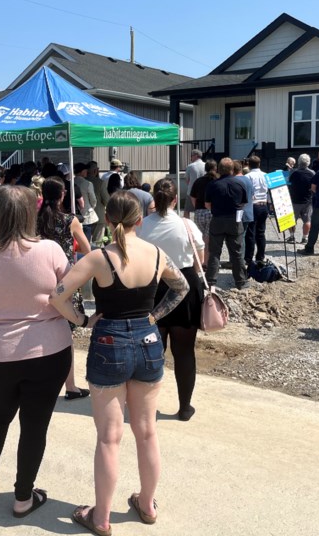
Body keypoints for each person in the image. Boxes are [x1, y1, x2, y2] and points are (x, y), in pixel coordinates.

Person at [49, 190, 189, 536]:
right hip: (148, 340)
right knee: (147, 432)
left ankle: (101, 518)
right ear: (140, 220)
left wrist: (82, 321)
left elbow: (57, 295)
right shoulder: (156, 254)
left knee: (109, 439)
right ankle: (147, 504)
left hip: (109, 340)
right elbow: (181, 287)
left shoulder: (99, 258)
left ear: (108, 220)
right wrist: (155, 316)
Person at [0, 185, 75, 517]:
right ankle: (23, 496)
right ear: (31, 212)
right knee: (34, 425)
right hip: (48, 350)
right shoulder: (51, 250)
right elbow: (67, 295)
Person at [139, 179, 205, 421]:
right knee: (185, 352)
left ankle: (145, 407)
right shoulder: (186, 225)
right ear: (176, 199)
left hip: (152, 286)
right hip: (185, 286)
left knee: (152, 352)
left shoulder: (142, 225)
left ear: (153, 199)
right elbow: (200, 257)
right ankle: (185, 407)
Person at [37, 177, 93, 401]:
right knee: (66, 334)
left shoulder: (35, 220)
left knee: (41, 330)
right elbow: (88, 250)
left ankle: (42, 381)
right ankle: (70, 385)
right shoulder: (70, 220)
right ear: (62, 195)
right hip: (66, 280)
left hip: (39, 277)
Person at [204, 157, 248, 289]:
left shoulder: (213, 184)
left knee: (215, 252)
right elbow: (244, 202)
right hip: (234, 220)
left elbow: (207, 204)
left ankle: (210, 281)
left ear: (219, 169)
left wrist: (217, 209)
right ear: (232, 169)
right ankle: (240, 281)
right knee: (237, 252)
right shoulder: (240, 183)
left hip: (217, 219)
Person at [243, 156, 270, 264]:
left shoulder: (248, 176)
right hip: (264, 204)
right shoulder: (266, 175)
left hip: (253, 205)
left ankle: (248, 258)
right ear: (259, 164)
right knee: (261, 232)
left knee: (250, 232)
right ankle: (260, 256)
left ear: (249, 164)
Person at [189, 159, 218, 253]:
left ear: (205, 169)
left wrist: (196, 207)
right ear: (215, 168)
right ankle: (206, 261)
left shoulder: (198, 181)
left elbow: (192, 196)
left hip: (199, 212)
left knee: (199, 237)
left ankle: (200, 260)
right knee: (209, 238)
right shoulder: (217, 181)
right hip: (212, 211)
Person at [286, 154, 316, 244]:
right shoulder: (312, 173)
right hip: (307, 200)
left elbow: (288, 183)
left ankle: (292, 237)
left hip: (294, 199)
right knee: (307, 220)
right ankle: (305, 238)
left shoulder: (293, 172)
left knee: (292, 220)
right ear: (308, 162)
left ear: (298, 162)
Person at [233, 160, 256, 266]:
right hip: (248, 213)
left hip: (238, 213)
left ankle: (238, 262)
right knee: (244, 237)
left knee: (238, 239)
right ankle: (242, 260)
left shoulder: (234, 181)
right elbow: (252, 196)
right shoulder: (248, 180)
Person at [73, 161, 98, 243]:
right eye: (86, 171)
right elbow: (93, 199)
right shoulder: (87, 183)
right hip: (86, 213)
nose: (87, 172)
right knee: (86, 240)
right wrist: (92, 207)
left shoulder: (71, 182)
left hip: (73, 213)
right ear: (82, 171)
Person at [88, 161, 109, 247]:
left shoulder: (81, 182)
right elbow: (107, 200)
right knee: (98, 243)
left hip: (84, 217)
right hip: (98, 215)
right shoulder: (100, 182)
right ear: (95, 171)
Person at [184, 149, 204, 216]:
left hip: (191, 192)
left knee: (187, 211)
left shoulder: (190, 166)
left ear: (196, 156)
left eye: (192, 156)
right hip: (203, 192)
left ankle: (187, 225)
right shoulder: (206, 165)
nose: (191, 158)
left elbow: (187, 180)